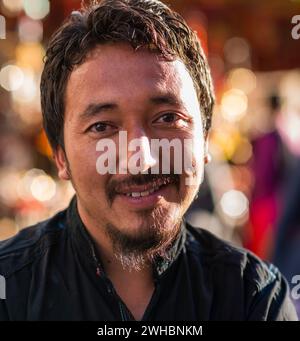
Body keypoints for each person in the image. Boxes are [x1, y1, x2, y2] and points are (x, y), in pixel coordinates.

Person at [0, 0, 297, 321]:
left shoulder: (253, 297)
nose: (141, 159)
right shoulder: (11, 290)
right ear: (60, 155)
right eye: (102, 127)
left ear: (205, 138)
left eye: (167, 118)